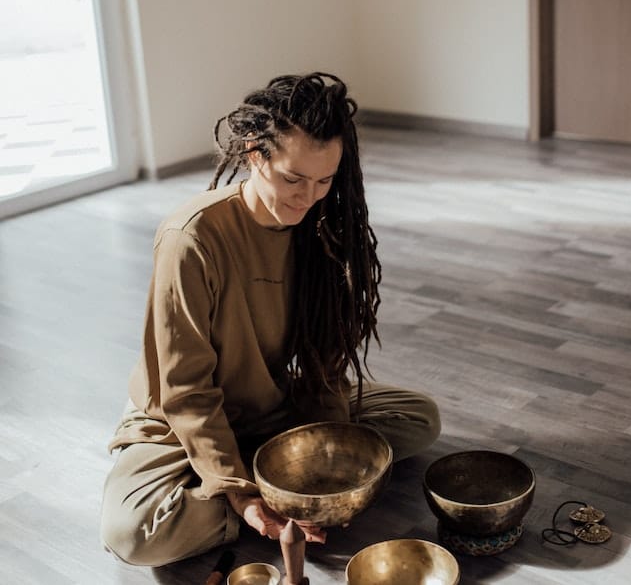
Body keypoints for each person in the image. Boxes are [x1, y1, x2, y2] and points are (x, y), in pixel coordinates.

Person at [100, 72, 440, 567]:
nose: (308, 197)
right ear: (255, 154)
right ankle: (252, 490)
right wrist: (244, 498)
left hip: (274, 408)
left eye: (325, 181)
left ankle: (265, 474)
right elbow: (185, 391)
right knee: (135, 535)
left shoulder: (319, 227)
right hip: (178, 422)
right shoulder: (191, 238)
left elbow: (324, 364)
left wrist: (333, 475)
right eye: (293, 179)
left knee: (419, 418)